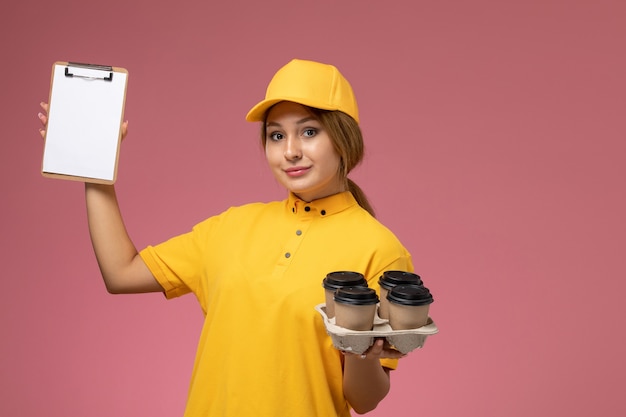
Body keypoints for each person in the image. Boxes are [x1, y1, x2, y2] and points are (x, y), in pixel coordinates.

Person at [38, 58, 415, 416]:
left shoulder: (380, 249)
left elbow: (365, 401)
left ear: (344, 138)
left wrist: (360, 351)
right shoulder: (232, 226)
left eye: (310, 131)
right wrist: (94, 167)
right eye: (276, 135)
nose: (290, 151)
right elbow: (121, 272)